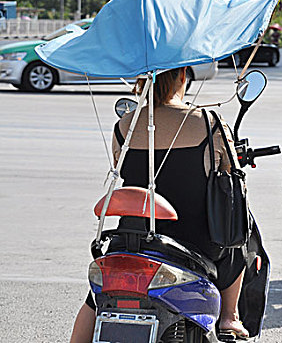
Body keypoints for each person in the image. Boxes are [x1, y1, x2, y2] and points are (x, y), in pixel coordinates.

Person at [70, 68, 249, 342]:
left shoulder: (124, 125)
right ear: (181, 79)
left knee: (96, 299)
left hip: (133, 237)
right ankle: (229, 317)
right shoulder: (208, 121)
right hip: (196, 241)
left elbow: (119, 166)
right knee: (237, 246)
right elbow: (231, 173)